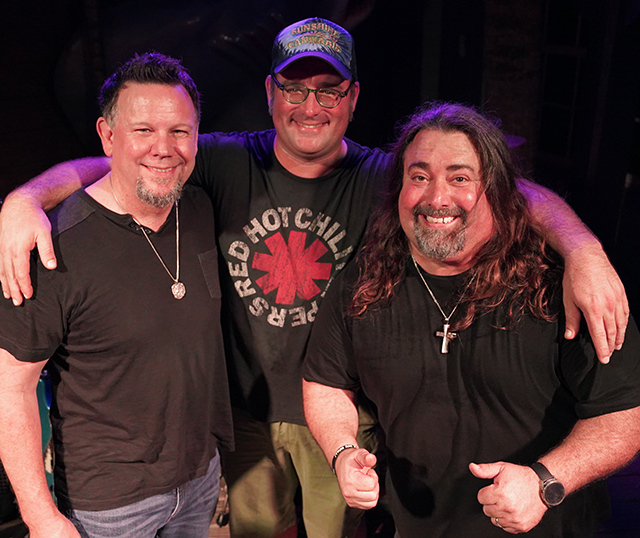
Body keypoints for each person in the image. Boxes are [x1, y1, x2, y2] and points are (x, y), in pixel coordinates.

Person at [0, 17, 628, 538]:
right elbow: (124, 161)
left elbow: (499, 190)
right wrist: (25, 198)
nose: (310, 106)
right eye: (295, 89)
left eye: (329, 90)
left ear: (353, 99)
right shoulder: (218, 158)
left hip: (342, 416)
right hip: (244, 418)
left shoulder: (393, 175)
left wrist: (584, 249)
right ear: (270, 93)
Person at [302, 102, 640, 538]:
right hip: (415, 526)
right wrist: (344, 452)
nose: (437, 197)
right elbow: (326, 381)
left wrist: (546, 480)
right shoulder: (364, 282)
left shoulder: (560, 286)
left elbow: (625, 415)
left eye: (460, 178)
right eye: (419, 177)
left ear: (498, 191)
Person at [0, 53, 233, 538]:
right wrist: (41, 517)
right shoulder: (53, 245)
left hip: (198, 481)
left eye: (180, 132)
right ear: (108, 135)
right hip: (106, 506)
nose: (164, 148)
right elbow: (10, 387)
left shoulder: (198, 208)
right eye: (143, 130)